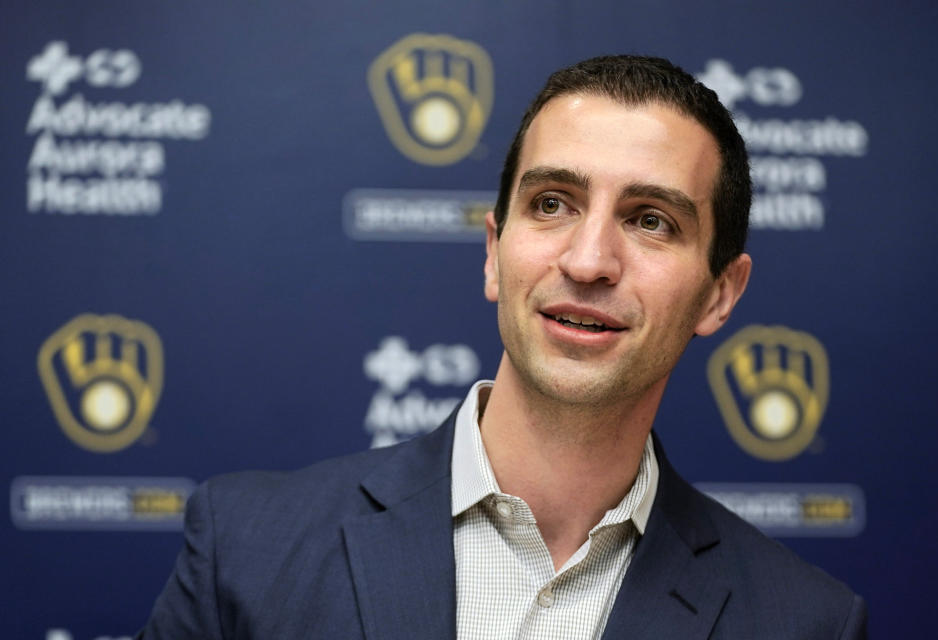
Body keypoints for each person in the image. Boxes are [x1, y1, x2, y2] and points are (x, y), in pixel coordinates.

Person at [137, 55, 866, 639]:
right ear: (494, 251)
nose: (588, 261)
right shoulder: (245, 549)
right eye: (552, 204)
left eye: (651, 221)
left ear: (719, 294)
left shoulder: (806, 622)